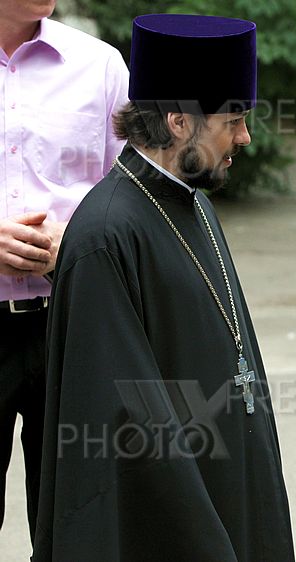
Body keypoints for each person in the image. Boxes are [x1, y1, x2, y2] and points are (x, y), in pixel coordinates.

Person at [33, 14, 294, 561]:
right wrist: (201, 537)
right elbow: (125, 422)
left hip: (223, 480)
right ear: (178, 122)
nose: (244, 137)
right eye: (233, 120)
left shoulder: (194, 202)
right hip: (172, 518)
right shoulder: (106, 234)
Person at [0, 0, 128, 544]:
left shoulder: (100, 66)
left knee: (77, 522)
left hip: (75, 322)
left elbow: (137, 196)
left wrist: (77, 243)